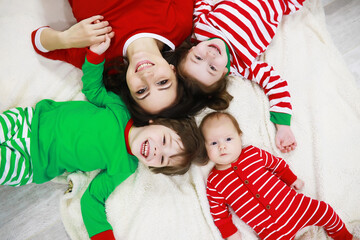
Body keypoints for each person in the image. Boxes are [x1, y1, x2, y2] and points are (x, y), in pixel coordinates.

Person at [1, 35, 204, 240]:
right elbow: (93, 88)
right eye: (164, 141)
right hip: (29, 121)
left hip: (32, 162)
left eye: (161, 159)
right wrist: (95, 57)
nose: (156, 151)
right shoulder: (121, 109)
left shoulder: (124, 166)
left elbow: (93, 200)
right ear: (156, 122)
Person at [31, 0, 207, 124]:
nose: (147, 77)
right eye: (162, 82)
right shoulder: (179, 25)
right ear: (173, 70)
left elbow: (39, 43)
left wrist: (67, 38)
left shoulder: (100, 55)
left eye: (141, 90)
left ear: (129, 90)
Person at [199, 111, 358, 240]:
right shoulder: (214, 181)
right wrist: (230, 233)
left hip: (295, 206)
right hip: (269, 229)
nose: (222, 146)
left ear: (239, 136)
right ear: (205, 147)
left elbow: (277, 165)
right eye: (213, 143)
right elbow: (219, 212)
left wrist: (292, 178)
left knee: (325, 210)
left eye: (228, 139)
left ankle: (344, 237)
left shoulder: (253, 153)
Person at [177, 0, 306, 153]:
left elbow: (202, 3)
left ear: (190, 50)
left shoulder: (199, 28)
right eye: (212, 68)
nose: (209, 55)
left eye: (198, 58)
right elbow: (274, 83)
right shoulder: (242, 65)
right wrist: (283, 126)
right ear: (223, 73)